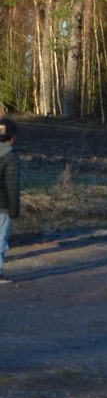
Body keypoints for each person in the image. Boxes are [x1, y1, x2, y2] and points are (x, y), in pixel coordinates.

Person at [0, 118, 18, 285]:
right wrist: (14, 209)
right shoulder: (10, 157)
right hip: (2, 205)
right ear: (12, 137)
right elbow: (12, 185)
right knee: (1, 239)